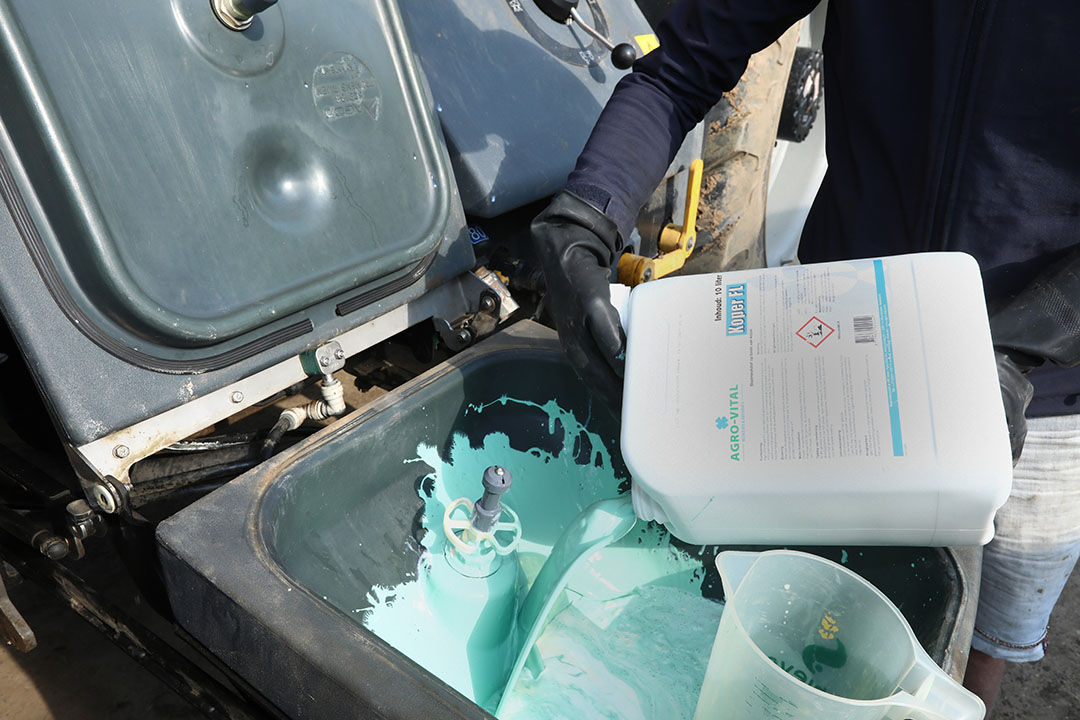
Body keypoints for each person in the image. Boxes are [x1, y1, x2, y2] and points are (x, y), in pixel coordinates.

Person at [531, 2, 1080, 715]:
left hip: (1044, 374)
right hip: (843, 333)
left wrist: (1021, 343)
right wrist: (586, 211)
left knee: (981, 626)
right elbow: (687, 63)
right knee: (816, 605)